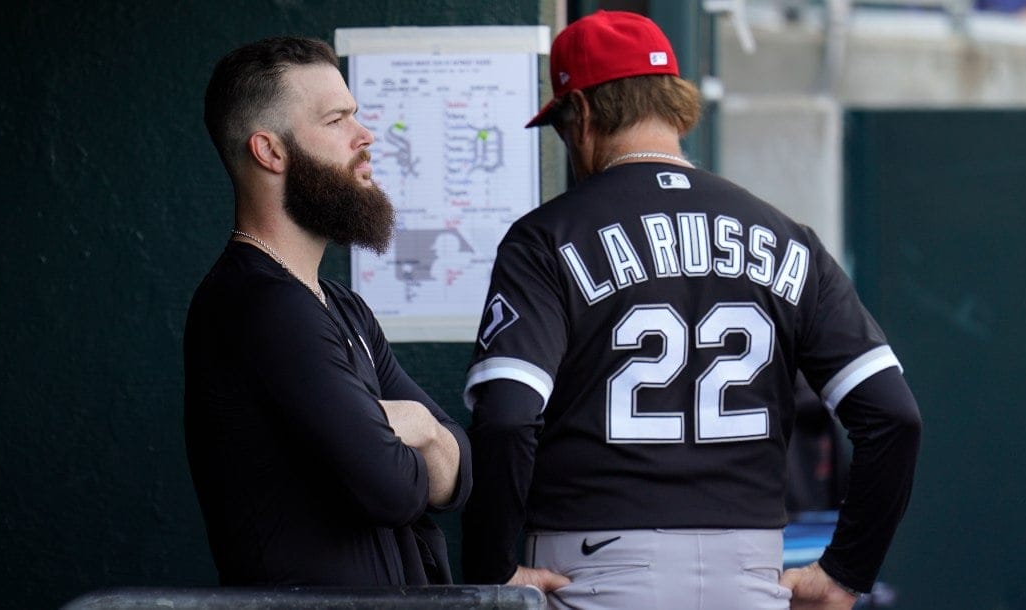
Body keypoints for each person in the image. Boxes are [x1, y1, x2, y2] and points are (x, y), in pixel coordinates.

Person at [460, 10, 921, 610]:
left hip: (598, 568)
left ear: (586, 118)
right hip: (752, 572)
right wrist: (845, 570)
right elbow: (893, 416)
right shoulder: (785, 236)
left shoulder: (545, 237)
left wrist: (491, 567)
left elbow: (507, 416)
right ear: (675, 107)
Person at [185, 36, 471, 587]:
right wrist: (415, 427)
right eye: (337, 119)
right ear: (271, 151)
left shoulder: (341, 306)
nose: (365, 137)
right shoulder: (258, 306)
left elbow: (461, 470)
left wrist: (422, 431)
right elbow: (390, 488)